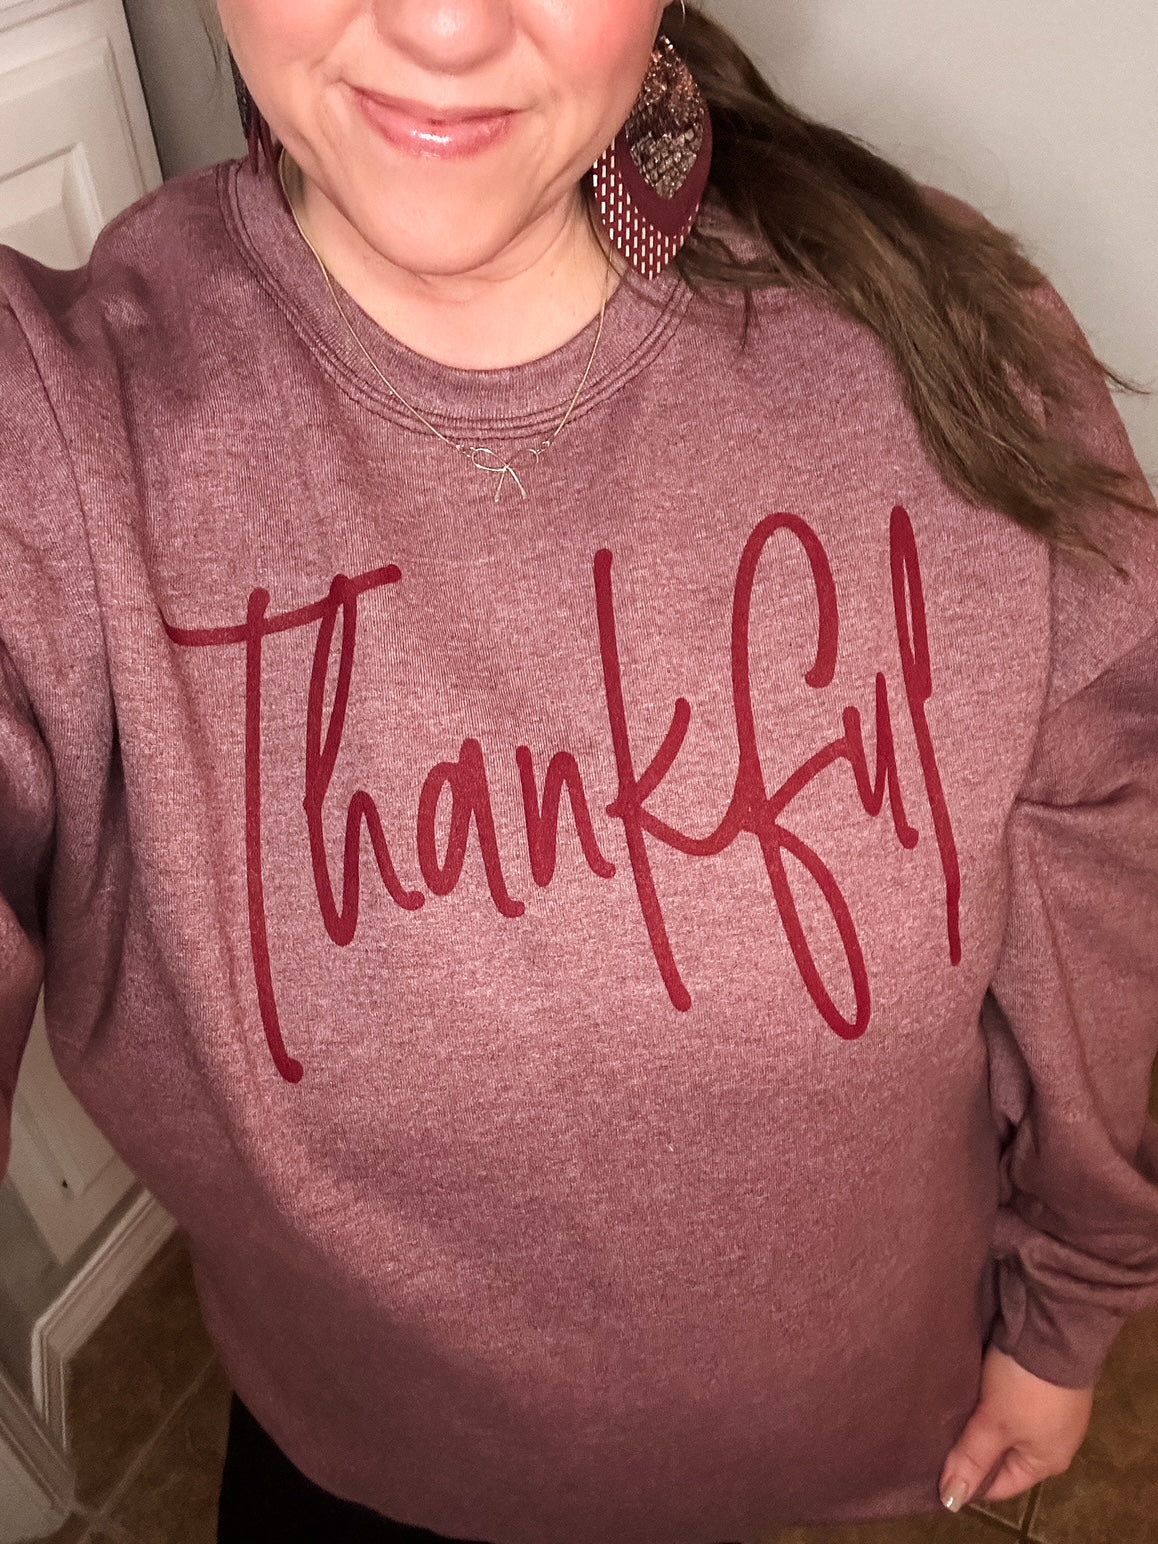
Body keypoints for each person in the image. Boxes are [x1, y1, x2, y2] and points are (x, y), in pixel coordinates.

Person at [1, 2, 1156, 1540]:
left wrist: (1066, 1307)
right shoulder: (59, 442)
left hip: (856, 1441)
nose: (442, 24)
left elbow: (1104, 884)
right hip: (375, 1475)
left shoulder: (956, 351)